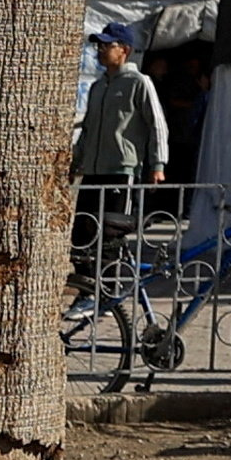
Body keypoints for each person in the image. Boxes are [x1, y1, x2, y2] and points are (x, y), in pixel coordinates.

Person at [71, 30, 168, 300]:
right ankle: (87, 288)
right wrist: (77, 161)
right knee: (81, 231)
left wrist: (157, 164)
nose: (100, 51)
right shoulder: (98, 86)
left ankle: (107, 291)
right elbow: (88, 129)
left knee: (110, 235)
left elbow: (156, 124)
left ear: (124, 49)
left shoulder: (139, 82)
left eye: (106, 45)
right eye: (98, 46)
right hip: (93, 170)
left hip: (121, 171)